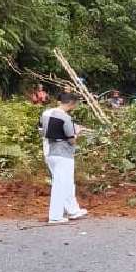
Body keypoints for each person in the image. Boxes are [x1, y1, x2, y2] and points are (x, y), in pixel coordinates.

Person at [39, 92, 88, 224]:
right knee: (61, 184)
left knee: (65, 182)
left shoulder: (46, 113)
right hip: (63, 154)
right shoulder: (66, 118)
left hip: (48, 151)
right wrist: (77, 132)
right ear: (72, 104)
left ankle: (73, 210)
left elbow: (41, 131)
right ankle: (55, 216)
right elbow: (71, 140)